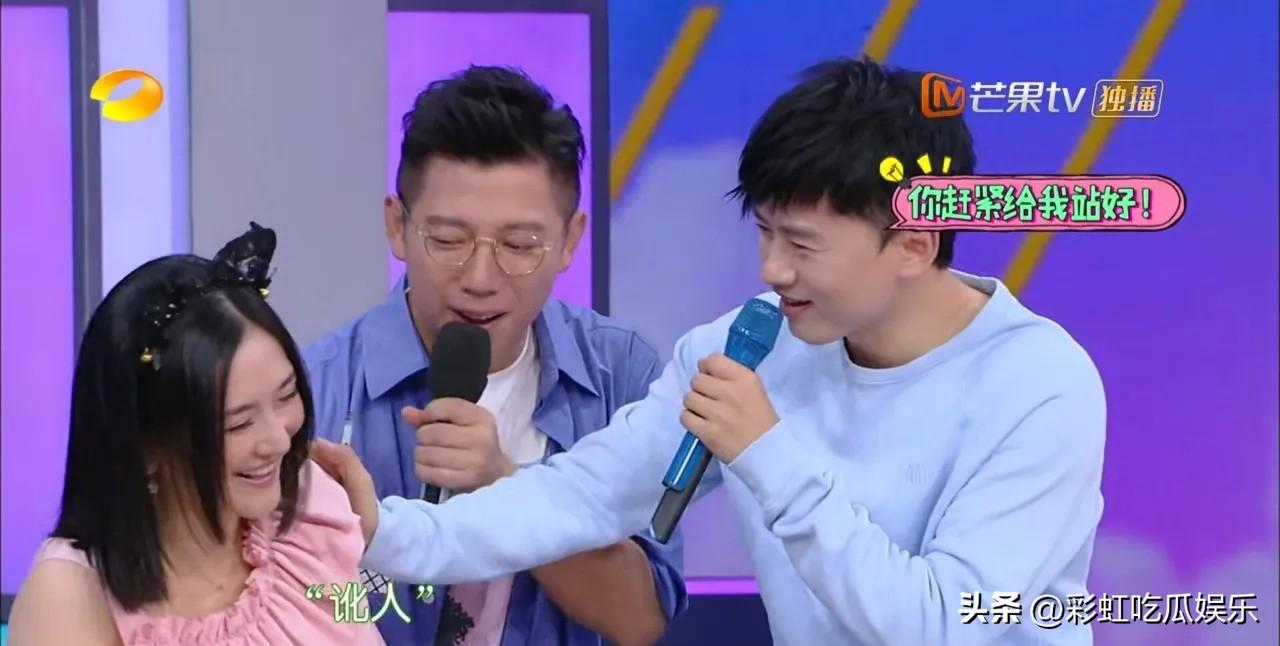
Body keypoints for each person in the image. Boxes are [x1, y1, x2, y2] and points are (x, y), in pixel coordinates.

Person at [315, 56, 1109, 645]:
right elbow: (579, 497)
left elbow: (944, 627)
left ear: (913, 243)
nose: (772, 270)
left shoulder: (1039, 385)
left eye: (802, 244)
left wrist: (768, 454)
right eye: (764, 232)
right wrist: (387, 530)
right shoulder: (749, 344)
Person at [303, 65, 683, 646]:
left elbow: (642, 619)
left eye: (519, 244)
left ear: (570, 240)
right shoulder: (315, 390)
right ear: (397, 226)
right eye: (448, 241)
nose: (480, 278)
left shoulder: (623, 375)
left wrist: (504, 485)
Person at [7, 224, 383, 645]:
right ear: (145, 446)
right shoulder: (69, 596)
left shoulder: (311, 511)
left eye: (286, 395)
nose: (279, 441)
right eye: (239, 423)